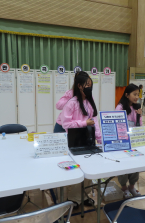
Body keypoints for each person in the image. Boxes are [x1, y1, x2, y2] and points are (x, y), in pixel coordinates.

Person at [57, 72, 101, 208]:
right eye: (86, 86)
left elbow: (94, 122)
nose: (89, 88)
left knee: (90, 169)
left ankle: (82, 196)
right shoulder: (71, 103)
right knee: (78, 170)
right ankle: (74, 198)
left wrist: (100, 139)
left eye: (90, 86)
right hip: (74, 142)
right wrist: (83, 123)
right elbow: (66, 124)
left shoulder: (89, 101)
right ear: (79, 86)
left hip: (87, 141)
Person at [115, 84, 142, 198]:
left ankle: (132, 186)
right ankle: (124, 187)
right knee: (124, 165)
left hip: (134, 141)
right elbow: (117, 126)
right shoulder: (120, 108)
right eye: (134, 94)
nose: (137, 97)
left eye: (138, 94)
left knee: (136, 164)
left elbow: (139, 126)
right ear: (127, 95)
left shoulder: (136, 108)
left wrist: (139, 116)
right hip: (122, 141)